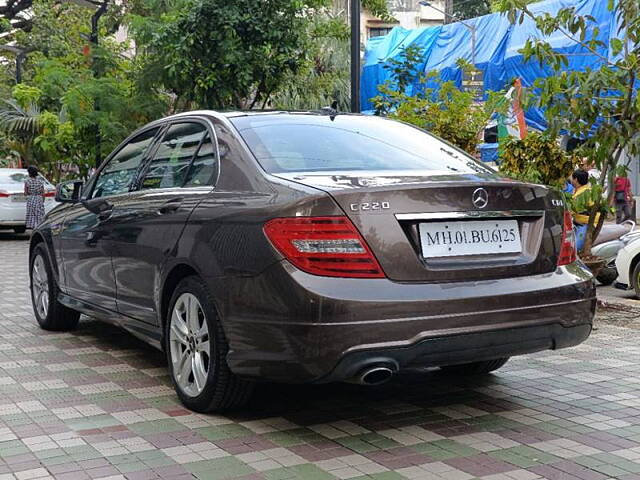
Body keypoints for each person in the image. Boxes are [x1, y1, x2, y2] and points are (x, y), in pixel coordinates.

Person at [571, 169, 599, 251]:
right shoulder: (588, 190)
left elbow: (572, 211)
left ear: (576, 179)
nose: (571, 181)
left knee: (576, 248)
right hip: (586, 223)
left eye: (572, 178)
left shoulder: (581, 194)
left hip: (585, 224)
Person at [24, 165, 45, 231]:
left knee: (32, 215)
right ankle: (39, 228)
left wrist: (28, 195)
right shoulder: (40, 181)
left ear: (29, 173)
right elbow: (43, 192)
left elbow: (26, 192)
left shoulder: (27, 181)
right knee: (39, 214)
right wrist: (42, 200)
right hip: (39, 199)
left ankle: (33, 229)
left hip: (31, 199)